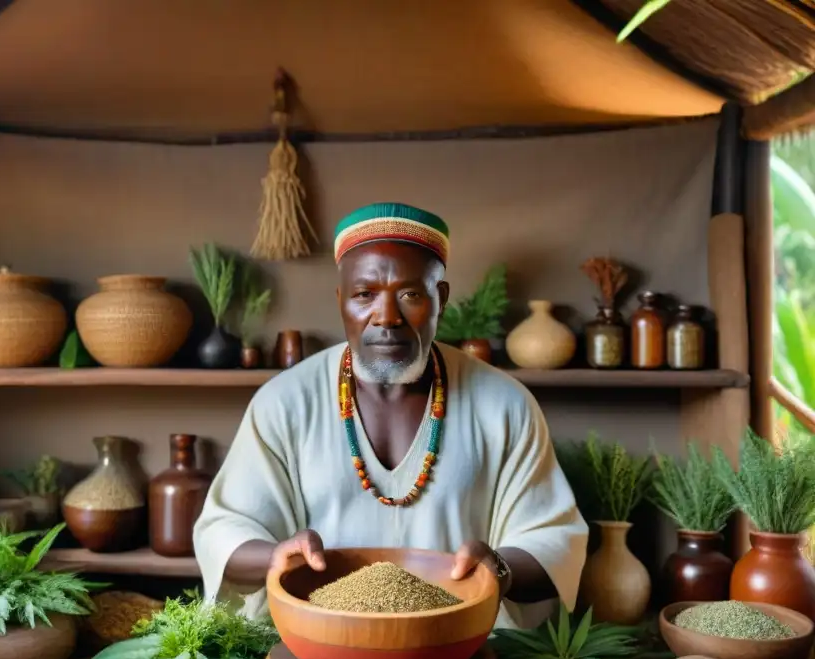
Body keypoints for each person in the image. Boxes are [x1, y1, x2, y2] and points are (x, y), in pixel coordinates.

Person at [193, 202, 587, 629]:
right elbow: (222, 531)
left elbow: (555, 541)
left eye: (410, 294)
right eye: (364, 295)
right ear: (341, 300)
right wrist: (274, 556)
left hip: (460, 642)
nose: (386, 317)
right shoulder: (284, 402)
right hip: (321, 641)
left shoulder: (504, 405)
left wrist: (499, 569)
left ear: (441, 298)